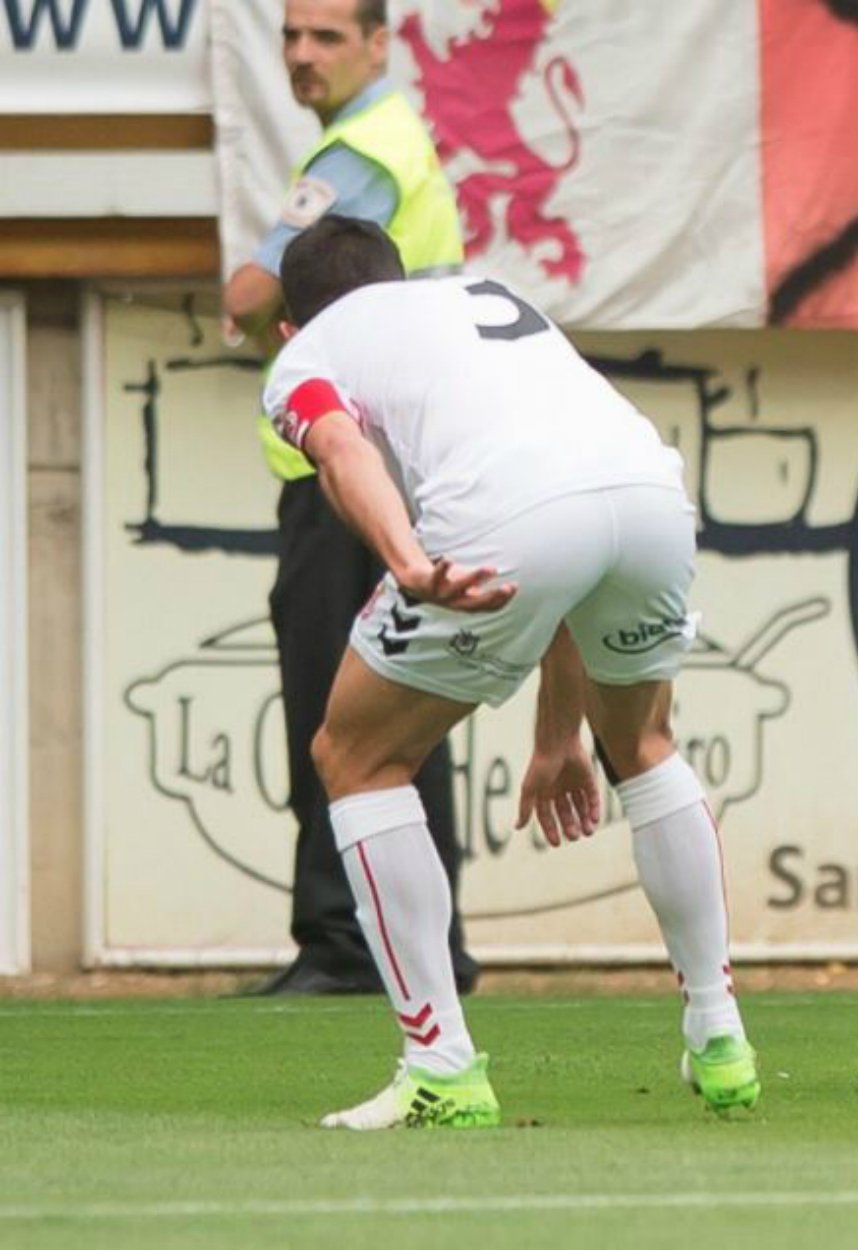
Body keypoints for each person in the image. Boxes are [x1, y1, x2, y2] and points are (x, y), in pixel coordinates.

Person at [262, 216, 756, 1128]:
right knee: (645, 745)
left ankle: (440, 1065)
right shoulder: (482, 296)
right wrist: (558, 734)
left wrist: (406, 560)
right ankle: (719, 1034)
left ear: (293, 326)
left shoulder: (308, 353)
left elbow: (337, 446)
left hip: (510, 511)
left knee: (355, 757)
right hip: (649, 495)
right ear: (398, 274)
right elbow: (573, 520)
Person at [224, 0, 476, 998]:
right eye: (290, 36)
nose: (300, 54)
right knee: (409, 707)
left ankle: (343, 943)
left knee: (336, 716)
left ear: (381, 45)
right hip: (403, 466)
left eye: (326, 36)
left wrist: (270, 322)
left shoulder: (362, 150)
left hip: (346, 479)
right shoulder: (392, 142)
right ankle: (425, 946)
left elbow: (248, 295)